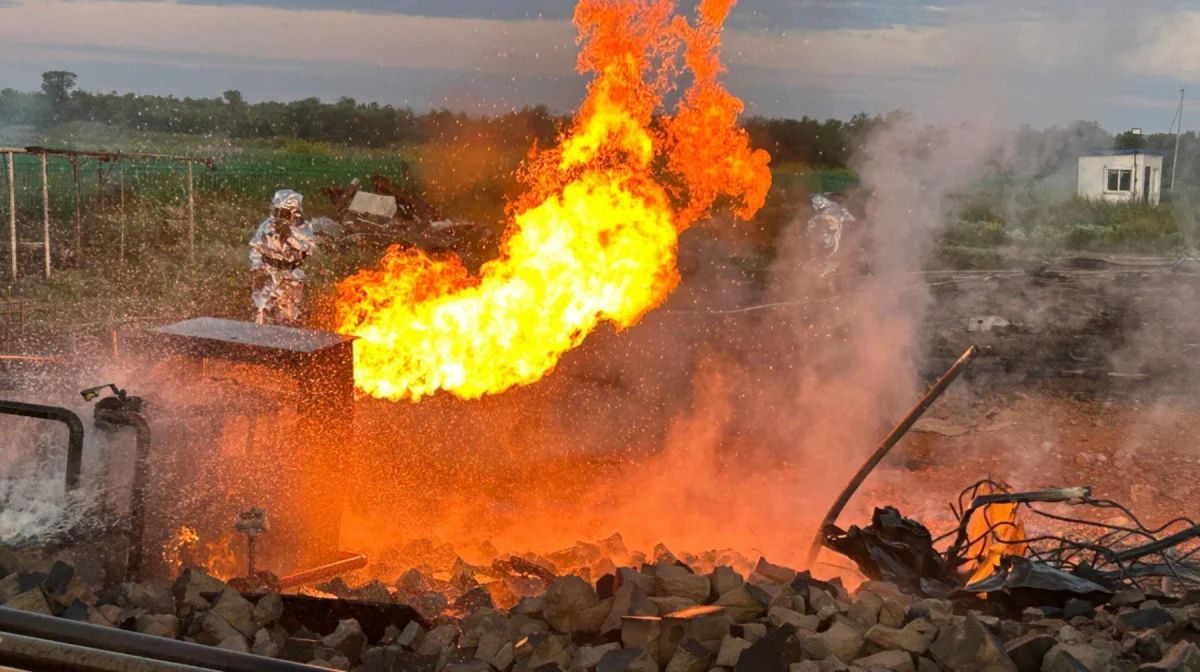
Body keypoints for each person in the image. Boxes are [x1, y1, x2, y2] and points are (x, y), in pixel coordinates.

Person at [250, 189, 316, 326]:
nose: (277, 216)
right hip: (268, 271)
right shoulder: (267, 226)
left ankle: (289, 344)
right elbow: (256, 248)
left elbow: (307, 251)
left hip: (291, 275)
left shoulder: (303, 228)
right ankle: (261, 342)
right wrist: (257, 269)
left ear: (293, 212)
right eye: (275, 211)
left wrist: (289, 237)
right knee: (262, 311)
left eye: (282, 212)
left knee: (290, 314)